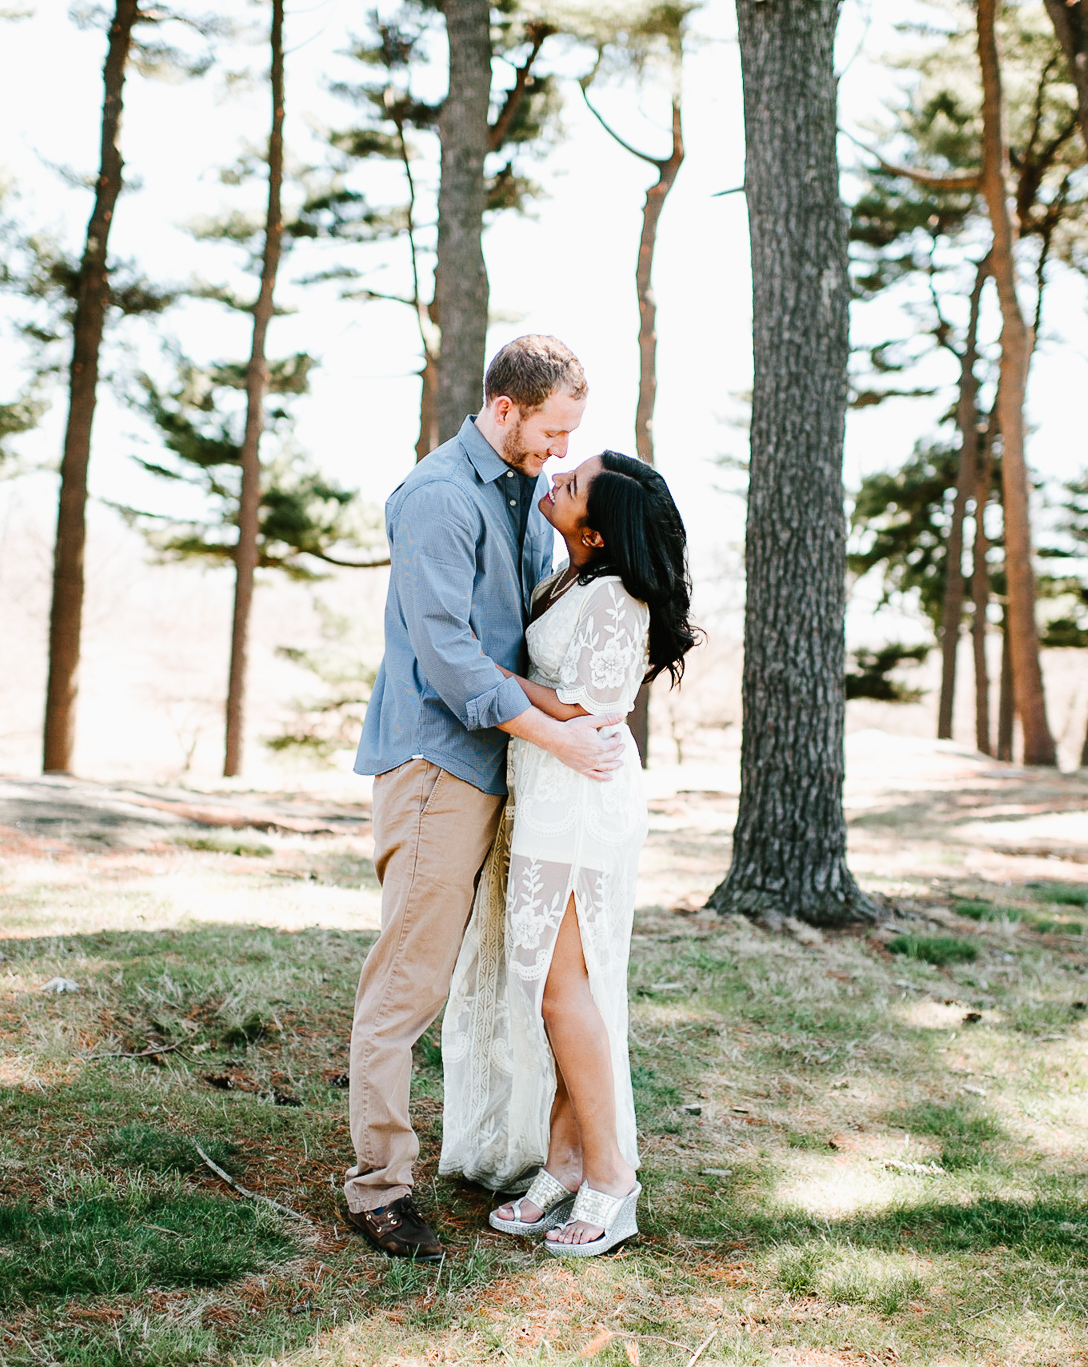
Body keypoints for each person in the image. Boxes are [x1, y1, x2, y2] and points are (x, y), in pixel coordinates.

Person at [343, 336, 629, 1263]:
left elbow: (519, 646)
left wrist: (574, 712)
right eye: (551, 432)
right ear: (504, 409)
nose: (558, 451)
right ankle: (378, 1186)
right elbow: (450, 659)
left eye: (569, 438)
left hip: (499, 770)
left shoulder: (519, 494)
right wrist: (560, 736)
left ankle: (537, 1156)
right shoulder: (438, 497)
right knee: (407, 982)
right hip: (438, 769)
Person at [439, 451, 699, 1256]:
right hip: (549, 792)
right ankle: (563, 1157)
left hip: (583, 802)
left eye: (573, 482)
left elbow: (596, 703)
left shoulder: (618, 595)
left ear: (595, 526)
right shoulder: (573, 578)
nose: (555, 476)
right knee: (552, 987)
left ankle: (612, 1177)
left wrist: (491, 677)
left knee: (563, 991)